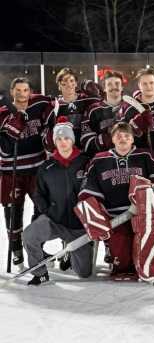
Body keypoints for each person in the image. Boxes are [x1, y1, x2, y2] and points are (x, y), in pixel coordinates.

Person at [78, 122, 154, 279]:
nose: (123, 138)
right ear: (112, 139)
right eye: (118, 136)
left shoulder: (146, 155)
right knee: (123, 258)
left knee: (146, 252)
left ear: (133, 139)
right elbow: (88, 188)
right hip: (115, 217)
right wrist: (97, 215)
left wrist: (149, 188)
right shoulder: (99, 160)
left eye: (127, 136)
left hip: (143, 215)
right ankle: (117, 258)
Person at [22, 116, 91, 285]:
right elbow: (38, 194)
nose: (62, 142)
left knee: (84, 273)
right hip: (55, 220)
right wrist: (49, 211)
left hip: (78, 226)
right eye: (58, 139)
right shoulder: (46, 167)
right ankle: (40, 273)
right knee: (29, 235)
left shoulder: (86, 162)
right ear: (54, 141)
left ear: (72, 140)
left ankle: (72, 251)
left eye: (66, 138)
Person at [0, 77, 53, 266]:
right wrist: (14, 125)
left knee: (42, 209)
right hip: (11, 172)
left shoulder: (38, 104)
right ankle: (16, 250)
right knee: (13, 211)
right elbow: (4, 149)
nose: (22, 95)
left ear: (30, 92)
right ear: (12, 91)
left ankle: (36, 247)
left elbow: (53, 102)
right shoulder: (3, 113)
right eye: (18, 90)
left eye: (25, 90)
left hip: (37, 169)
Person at [42, 67, 102, 152]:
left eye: (71, 81)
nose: (69, 85)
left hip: (86, 151)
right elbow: (47, 136)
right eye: (64, 83)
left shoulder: (88, 100)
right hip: (65, 153)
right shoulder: (53, 106)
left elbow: (105, 105)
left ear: (76, 83)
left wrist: (99, 92)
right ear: (59, 86)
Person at [81, 70, 131, 156]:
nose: (113, 87)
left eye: (117, 83)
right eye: (109, 84)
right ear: (104, 88)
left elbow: (139, 140)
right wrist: (104, 140)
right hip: (104, 162)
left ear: (122, 87)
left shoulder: (130, 108)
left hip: (129, 161)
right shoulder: (93, 110)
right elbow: (86, 142)